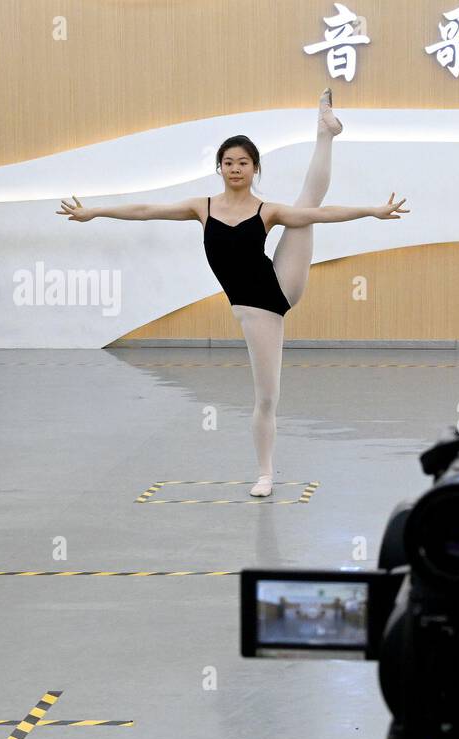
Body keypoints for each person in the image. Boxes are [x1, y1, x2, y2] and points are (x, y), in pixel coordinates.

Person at [58, 89, 409, 496]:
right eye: (228, 162)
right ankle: (265, 471)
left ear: (255, 168)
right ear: (219, 168)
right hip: (253, 308)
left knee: (307, 207)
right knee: (266, 397)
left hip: (277, 291)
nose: (235, 168)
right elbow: (145, 210)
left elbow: (319, 215)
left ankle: (325, 131)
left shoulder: (267, 211)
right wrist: (96, 210)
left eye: (243, 162)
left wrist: (372, 210)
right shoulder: (202, 207)